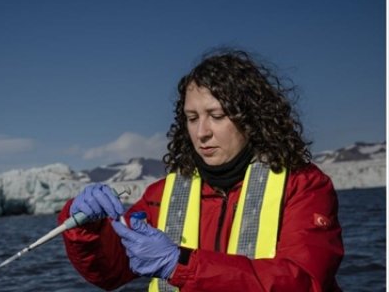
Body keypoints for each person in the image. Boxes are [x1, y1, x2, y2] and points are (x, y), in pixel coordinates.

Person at [61, 51, 342, 291]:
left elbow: (304, 281)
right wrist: (88, 228)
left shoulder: (303, 185)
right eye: (192, 118)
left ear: (252, 118)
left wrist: (183, 266)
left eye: (217, 116)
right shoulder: (162, 195)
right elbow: (111, 270)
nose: (201, 132)